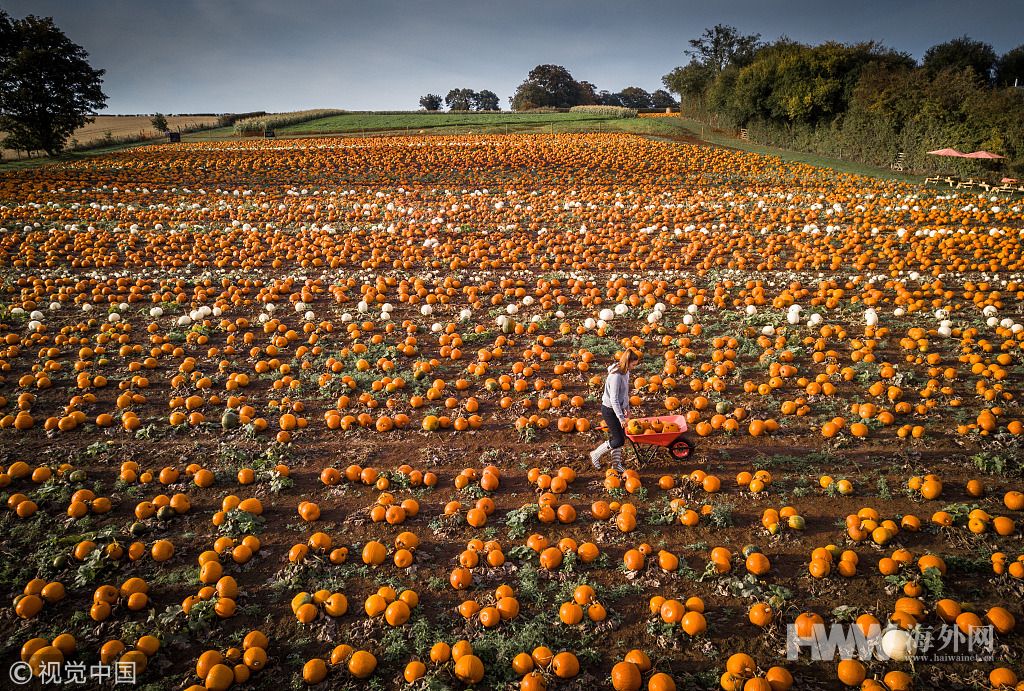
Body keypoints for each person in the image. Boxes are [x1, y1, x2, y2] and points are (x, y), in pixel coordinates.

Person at [590, 348, 640, 473]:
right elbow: (614, 399)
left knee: (619, 438)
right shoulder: (616, 376)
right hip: (609, 410)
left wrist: (627, 409)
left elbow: (624, 394)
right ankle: (595, 454)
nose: (634, 367)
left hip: (618, 409)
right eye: (633, 365)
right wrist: (621, 418)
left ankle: (616, 465)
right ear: (627, 362)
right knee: (618, 440)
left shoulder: (626, 372)